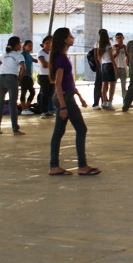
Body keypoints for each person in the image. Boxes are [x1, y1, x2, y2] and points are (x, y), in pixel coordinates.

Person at [48, 27, 100, 176]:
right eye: (70, 36)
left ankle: (54, 166)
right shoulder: (61, 58)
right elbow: (58, 83)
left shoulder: (62, 56)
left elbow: (68, 81)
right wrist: (63, 106)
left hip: (67, 96)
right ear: (64, 39)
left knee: (58, 132)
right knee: (81, 129)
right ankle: (82, 165)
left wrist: (79, 95)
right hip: (65, 98)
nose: (73, 38)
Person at [0, 36, 26, 135]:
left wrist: (1, 75)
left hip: (2, 79)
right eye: (20, 43)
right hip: (12, 78)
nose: (21, 45)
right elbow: (23, 69)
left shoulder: (4, 55)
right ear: (16, 45)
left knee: (0, 103)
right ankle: (15, 129)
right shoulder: (19, 56)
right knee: (12, 104)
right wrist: (19, 79)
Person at [96, 28, 118, 110]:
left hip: (103, 65)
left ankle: (104, 102)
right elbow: (111, 58)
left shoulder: (99, 45)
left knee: (104, 84)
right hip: (109, 65)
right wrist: (116, 68)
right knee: (112, 85)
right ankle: (110, 103)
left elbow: (99, 57)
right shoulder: (108, 45)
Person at [37, 35, 55, 119]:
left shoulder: (52, 53)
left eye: (50, 43)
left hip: (51, 75)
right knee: (44, 94)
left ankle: (50, 109)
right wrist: (53, 65)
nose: (48, 45)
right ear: (43, 44)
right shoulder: (41, 53)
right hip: (43, 75)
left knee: (51, 93)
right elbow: (44, 64)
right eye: (46, 43)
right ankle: (43, 111)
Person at [19, 39, 37, 114]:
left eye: (31, 46)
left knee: (32, 92)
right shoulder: (22, 54)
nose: (31, 47)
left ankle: (26, 106)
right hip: (24, 76)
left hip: (29, 76)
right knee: (23, 92)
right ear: (24, 46)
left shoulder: (29, 55)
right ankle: (23, 108)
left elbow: (34, 60)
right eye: (29, 46)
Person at [113, 32, 128, 101]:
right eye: (118, 38)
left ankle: (125, 100)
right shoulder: (114, 47)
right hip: (115, 67)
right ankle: (110, 100)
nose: (119, 39)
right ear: (116, 39)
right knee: (113, 85)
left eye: (120, 38)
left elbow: (128, 56)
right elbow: (111, 58)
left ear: (123, 38)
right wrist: (116, 53)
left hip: (123, 67)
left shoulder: (125, 47)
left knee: (123, 85)